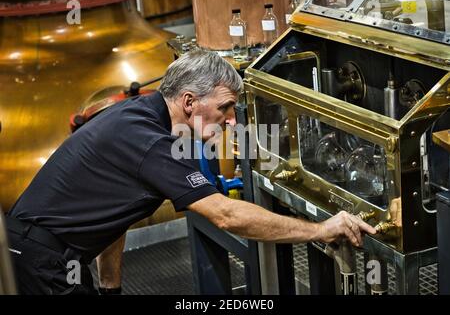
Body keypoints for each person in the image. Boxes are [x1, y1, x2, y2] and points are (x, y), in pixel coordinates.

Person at [5, 50, 376, 295]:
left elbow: (111, 214)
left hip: (44, 256)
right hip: (41, 264)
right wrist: (320, 229)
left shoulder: (140, 114)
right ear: (188, 101)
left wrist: (110, 288)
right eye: (226, 108)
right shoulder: (150, 142)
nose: (232, 120)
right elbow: (227, 215)